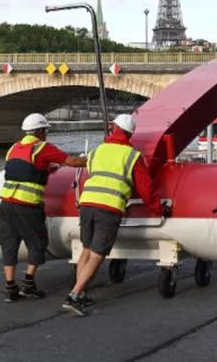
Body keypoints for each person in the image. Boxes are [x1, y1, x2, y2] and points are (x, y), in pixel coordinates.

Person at [62, 114, 170, 316]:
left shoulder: (97, 151)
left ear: (113, 128)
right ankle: (74, 296)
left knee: (86, 250)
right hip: (109, 207)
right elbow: (145, 189)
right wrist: (159, 209)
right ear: (130, 134)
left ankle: (82, 293)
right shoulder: (132, 156)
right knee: (97, 254)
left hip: (86, 204)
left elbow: (93, 172)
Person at [0, 113, 87, 303]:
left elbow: (23, 170)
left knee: (9, 245)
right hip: (27, 206)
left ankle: (10, 287)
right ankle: (29, 284)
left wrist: (46, 169)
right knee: (37, 243)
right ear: (40, 132)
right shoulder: (43, 148)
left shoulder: (14, 148)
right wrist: (93, 160)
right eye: (45, 131)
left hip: (5, 205)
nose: (46, 134)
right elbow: (71, 162)